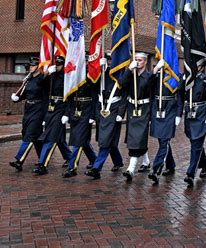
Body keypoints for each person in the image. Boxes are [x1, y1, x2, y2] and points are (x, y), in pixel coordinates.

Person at [85, 52, 127, 180]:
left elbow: (124, 95)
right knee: (106, 138)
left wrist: (121, 113)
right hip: (101, 109)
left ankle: (96, 168)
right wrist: (98, 69)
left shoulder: (121, 74)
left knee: (106, 139)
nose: (109, 63)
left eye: (111, 60)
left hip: (113, 110)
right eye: (107, 60)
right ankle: (118, 161)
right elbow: (90, 85)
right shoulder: (101, 74)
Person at [120, 52, 155, 182]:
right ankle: (146, 162)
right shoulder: (131, 74)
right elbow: (122, 85)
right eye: (136, 60)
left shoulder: (149, 76)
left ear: (145, 62)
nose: (138, 62)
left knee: (138, 138)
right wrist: (129, 70)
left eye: (140, 60)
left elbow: (150, 93)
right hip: (132, 109)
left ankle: (131, 169)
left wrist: (151, 115)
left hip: (144, 110)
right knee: (134, 138)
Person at [33, 56, 72, 175]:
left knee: (50, 137)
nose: (58, 66)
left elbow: (70, 97)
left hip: (61, 108)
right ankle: (71, 158)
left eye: (60, 64)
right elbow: (39, 84)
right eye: (57, 64)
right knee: (59, 139)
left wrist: (66, 114)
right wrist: (47, 74)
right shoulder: (51, 76)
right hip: (50, 109)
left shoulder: (67, 77)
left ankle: (42, 164)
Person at [147, 59, 183, 185]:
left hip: (170, 111)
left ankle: (156, 169)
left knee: (164, 141)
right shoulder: (157, 75)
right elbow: (148, 85)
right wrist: (156, 70)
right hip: (157, 109)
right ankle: (171, 164)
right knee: (163, 140)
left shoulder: (176, 76)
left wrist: (179, 114)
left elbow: (180, 96)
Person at [9, 57, 47, 171]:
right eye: (29, 65)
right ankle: (43, 161)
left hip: (38, 110)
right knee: (33, 136)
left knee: (29, 135)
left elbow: (46, 98)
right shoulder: (29, 79)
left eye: (33, 65)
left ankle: (19, 160)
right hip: (29, 109)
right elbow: (25, 94)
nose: (30, 67)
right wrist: (17, 98)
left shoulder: (43, 80)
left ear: (38, 66)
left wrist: (45, 115)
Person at [62, 55, 98, 178]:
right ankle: (95, 160)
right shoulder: (73, 75)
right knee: (81, 140)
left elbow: (95, 98)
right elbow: (69, 97)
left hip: (87, 111)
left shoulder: (92, 76)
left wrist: (93, 115)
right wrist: (67, 114)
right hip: (75, 111)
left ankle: (72, 167)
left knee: (78, 140)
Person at [181, 59, 206, 188]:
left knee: (196, 143)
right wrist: (183, 81)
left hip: (200, 113)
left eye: (197, 66)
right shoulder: (187, 80)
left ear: (201, 68)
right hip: (189, 113)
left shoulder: (205, 80)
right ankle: (204, 166)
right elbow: (179, 93)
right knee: (195, 142)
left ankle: (190, 173)